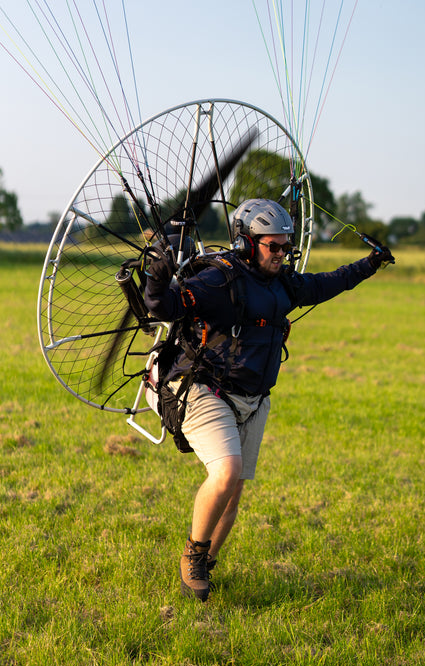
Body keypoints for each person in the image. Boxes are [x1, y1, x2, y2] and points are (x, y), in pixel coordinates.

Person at [144, 198, 394, 601]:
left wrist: (368, 265)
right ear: (246, 243)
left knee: (234, 492)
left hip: (254, 398)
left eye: (286, 247)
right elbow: (163, 306)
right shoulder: (218, 281)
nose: (281, 254)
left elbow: (326, 284)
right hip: (204, 386)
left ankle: (206, 562)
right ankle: (193, 555)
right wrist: (156, 277)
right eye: (272, 246)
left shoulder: (284, 283)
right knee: (226, 471)